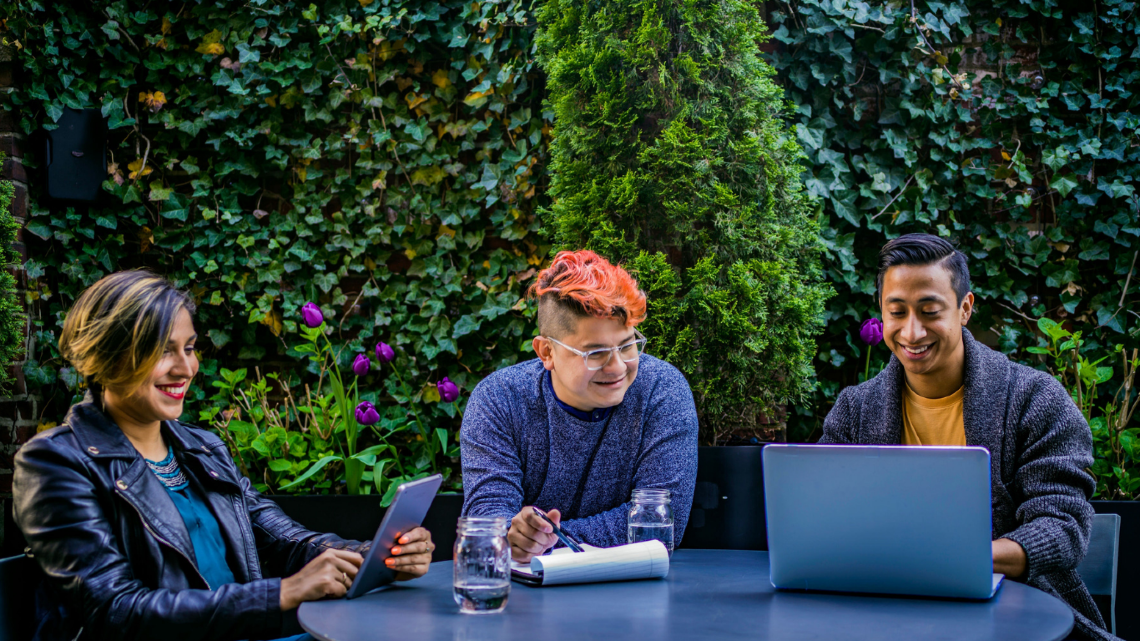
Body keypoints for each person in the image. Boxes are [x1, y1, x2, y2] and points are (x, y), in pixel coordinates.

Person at [14, 270, 435, 641]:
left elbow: (284, 540)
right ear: (106, 356)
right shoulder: (57, 463)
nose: (185, 368)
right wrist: (283, 593)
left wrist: (376, 557)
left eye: (190, 348)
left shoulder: (203, 449)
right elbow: (117, 611)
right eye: (164, 350)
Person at [820, 233, 1117, 641]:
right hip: (884, 614)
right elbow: (823, 520)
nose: (911, 331)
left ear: (964, 308)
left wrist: (959, 561)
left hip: (1021, 615)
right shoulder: (854, 410)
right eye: (897, 312)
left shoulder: (1034, 399)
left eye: (929, 311)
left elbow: (1062, 526)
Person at [460, 250, 698, 561]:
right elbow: (490, 524)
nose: (617, 367)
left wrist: (545, 543)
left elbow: (662, 523)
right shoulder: (499, 401)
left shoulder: (662, 391)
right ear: (546, 352)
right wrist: (512, 536)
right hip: (529, 600)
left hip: (635, 596)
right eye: (595, 353)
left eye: (627, 345)